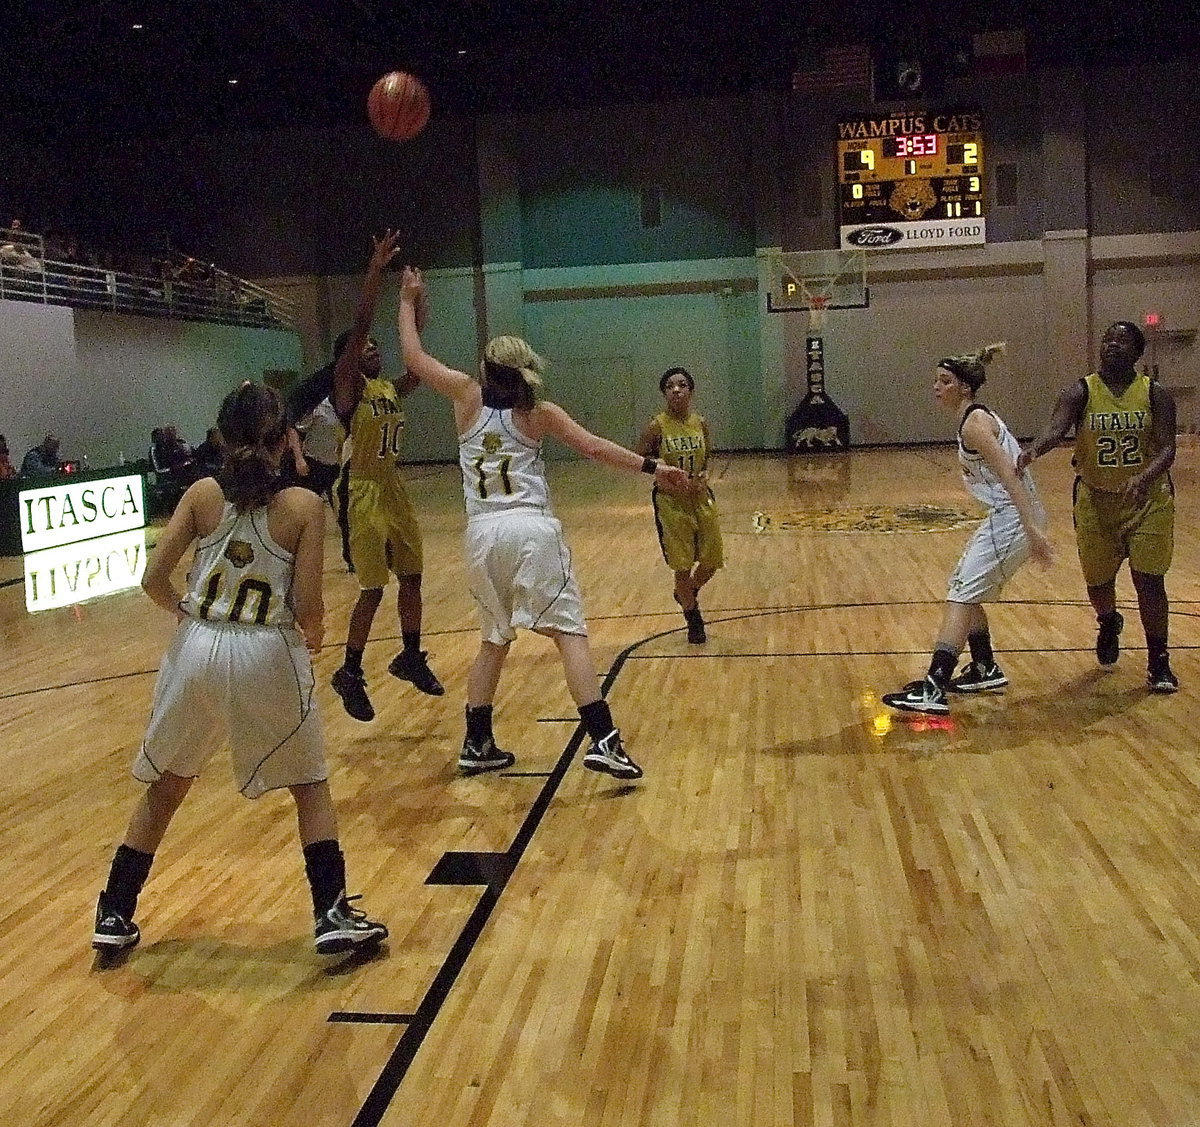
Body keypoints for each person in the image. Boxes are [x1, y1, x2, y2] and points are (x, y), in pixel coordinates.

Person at [92, 382, 387, 957]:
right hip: (265, 649)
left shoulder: (202, 493)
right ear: (284, 440)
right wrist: (316, 636)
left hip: (197, 646)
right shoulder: (303, 506)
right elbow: (307, 607)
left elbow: (152, 579)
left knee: (167, 785)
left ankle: (114, 910)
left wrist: (189, 614)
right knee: (309, 785)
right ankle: (330, 912)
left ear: (222, 438)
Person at [398, 265, 692, 780]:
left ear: (487, 368)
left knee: (493, 638)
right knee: (569, 634)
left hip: (481, 535)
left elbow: (413, 358)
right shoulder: (538, 413)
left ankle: (477, 741)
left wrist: (406, 301)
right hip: (530, 531)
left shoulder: (465, 397)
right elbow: (595, 448)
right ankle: (603, 739)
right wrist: (654, 468)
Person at [883, 344, 1053, 715]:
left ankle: (934, 687)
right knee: (964, 587)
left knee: (960, 594)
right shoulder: (973, 420)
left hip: (1013, 517)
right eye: (935, 381)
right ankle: (984, 667)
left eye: (945, 381)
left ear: (965, 387)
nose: (936, 387)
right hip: (1008, 516)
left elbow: (1011, 475)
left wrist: (1031, 528)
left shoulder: (975, 425)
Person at [1018, 320, 1178, 692]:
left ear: (1137, 352)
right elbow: (1056, 429)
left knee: (1149, 581)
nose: (1112, 345)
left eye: (1122, 341)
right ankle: (1108, 621)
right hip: (1095, 500)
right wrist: (1033, 450)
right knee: (1098, 584)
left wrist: (1144, 477)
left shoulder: (1155, 394)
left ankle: (1159, 661)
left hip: (1148, 501)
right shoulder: (1080, 391)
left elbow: (1168, 448)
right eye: (1108, 339)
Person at [329, 232, 443, 722]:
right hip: (361, 490)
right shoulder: (349, 387)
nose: (374, 349)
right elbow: (360, 324)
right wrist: (376, 270)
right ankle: (349, 671)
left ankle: (410, 655)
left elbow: (417, 368)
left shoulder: (388, 388)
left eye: (378, 346)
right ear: (351, 357)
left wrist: (416, 305)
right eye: (367, 347)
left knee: (413, 577)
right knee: (372, 589)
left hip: (392, 486)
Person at [634, 367, 724, 643]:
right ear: (664, 393)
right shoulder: (657, 426)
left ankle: (686, 592)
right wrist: (658, 467)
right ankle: (693, 617)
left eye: (682, 385)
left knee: (712, 560)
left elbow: (707, 456)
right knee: (682, 565)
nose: (676, 390)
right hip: (671, 502)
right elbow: (640, 457)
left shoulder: (701, 423)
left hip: (700, 497)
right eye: (670, 386)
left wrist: (704, 474)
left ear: (691, 391)